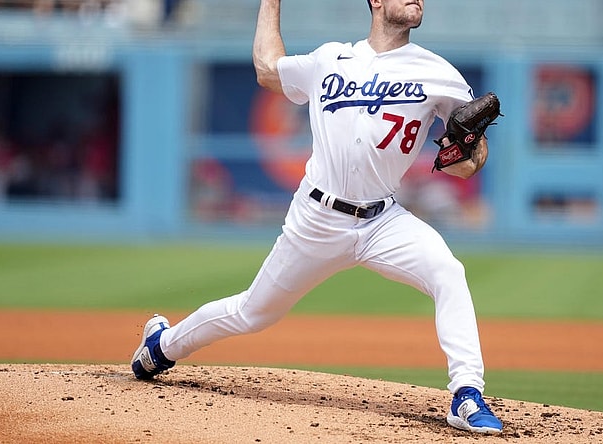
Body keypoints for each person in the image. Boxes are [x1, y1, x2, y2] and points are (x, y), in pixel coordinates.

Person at [131, 0, 503, 435]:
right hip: (317, 218)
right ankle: (162, 345)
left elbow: (468, 159)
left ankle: (466, 394)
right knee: (254, 312)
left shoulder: (439, 73)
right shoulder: (330, 59)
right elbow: (267, 68)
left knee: (447, 272)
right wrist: (270, 3)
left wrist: (468, 152)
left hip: (382, 221)